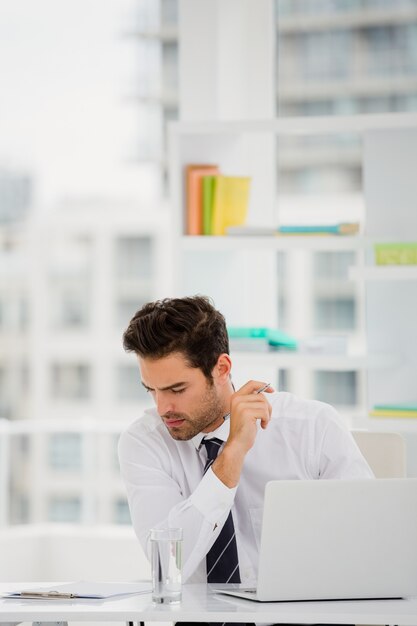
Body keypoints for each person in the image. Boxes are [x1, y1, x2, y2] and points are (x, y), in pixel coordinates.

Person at [118, 295, 373, 587]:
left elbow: (367, 543)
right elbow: (168, 567)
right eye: (151, 390)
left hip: (300, 617)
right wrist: (233, 452)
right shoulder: (144, 442)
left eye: (177, 389)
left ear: (222, 369)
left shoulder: (312, 427)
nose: (163, 408)